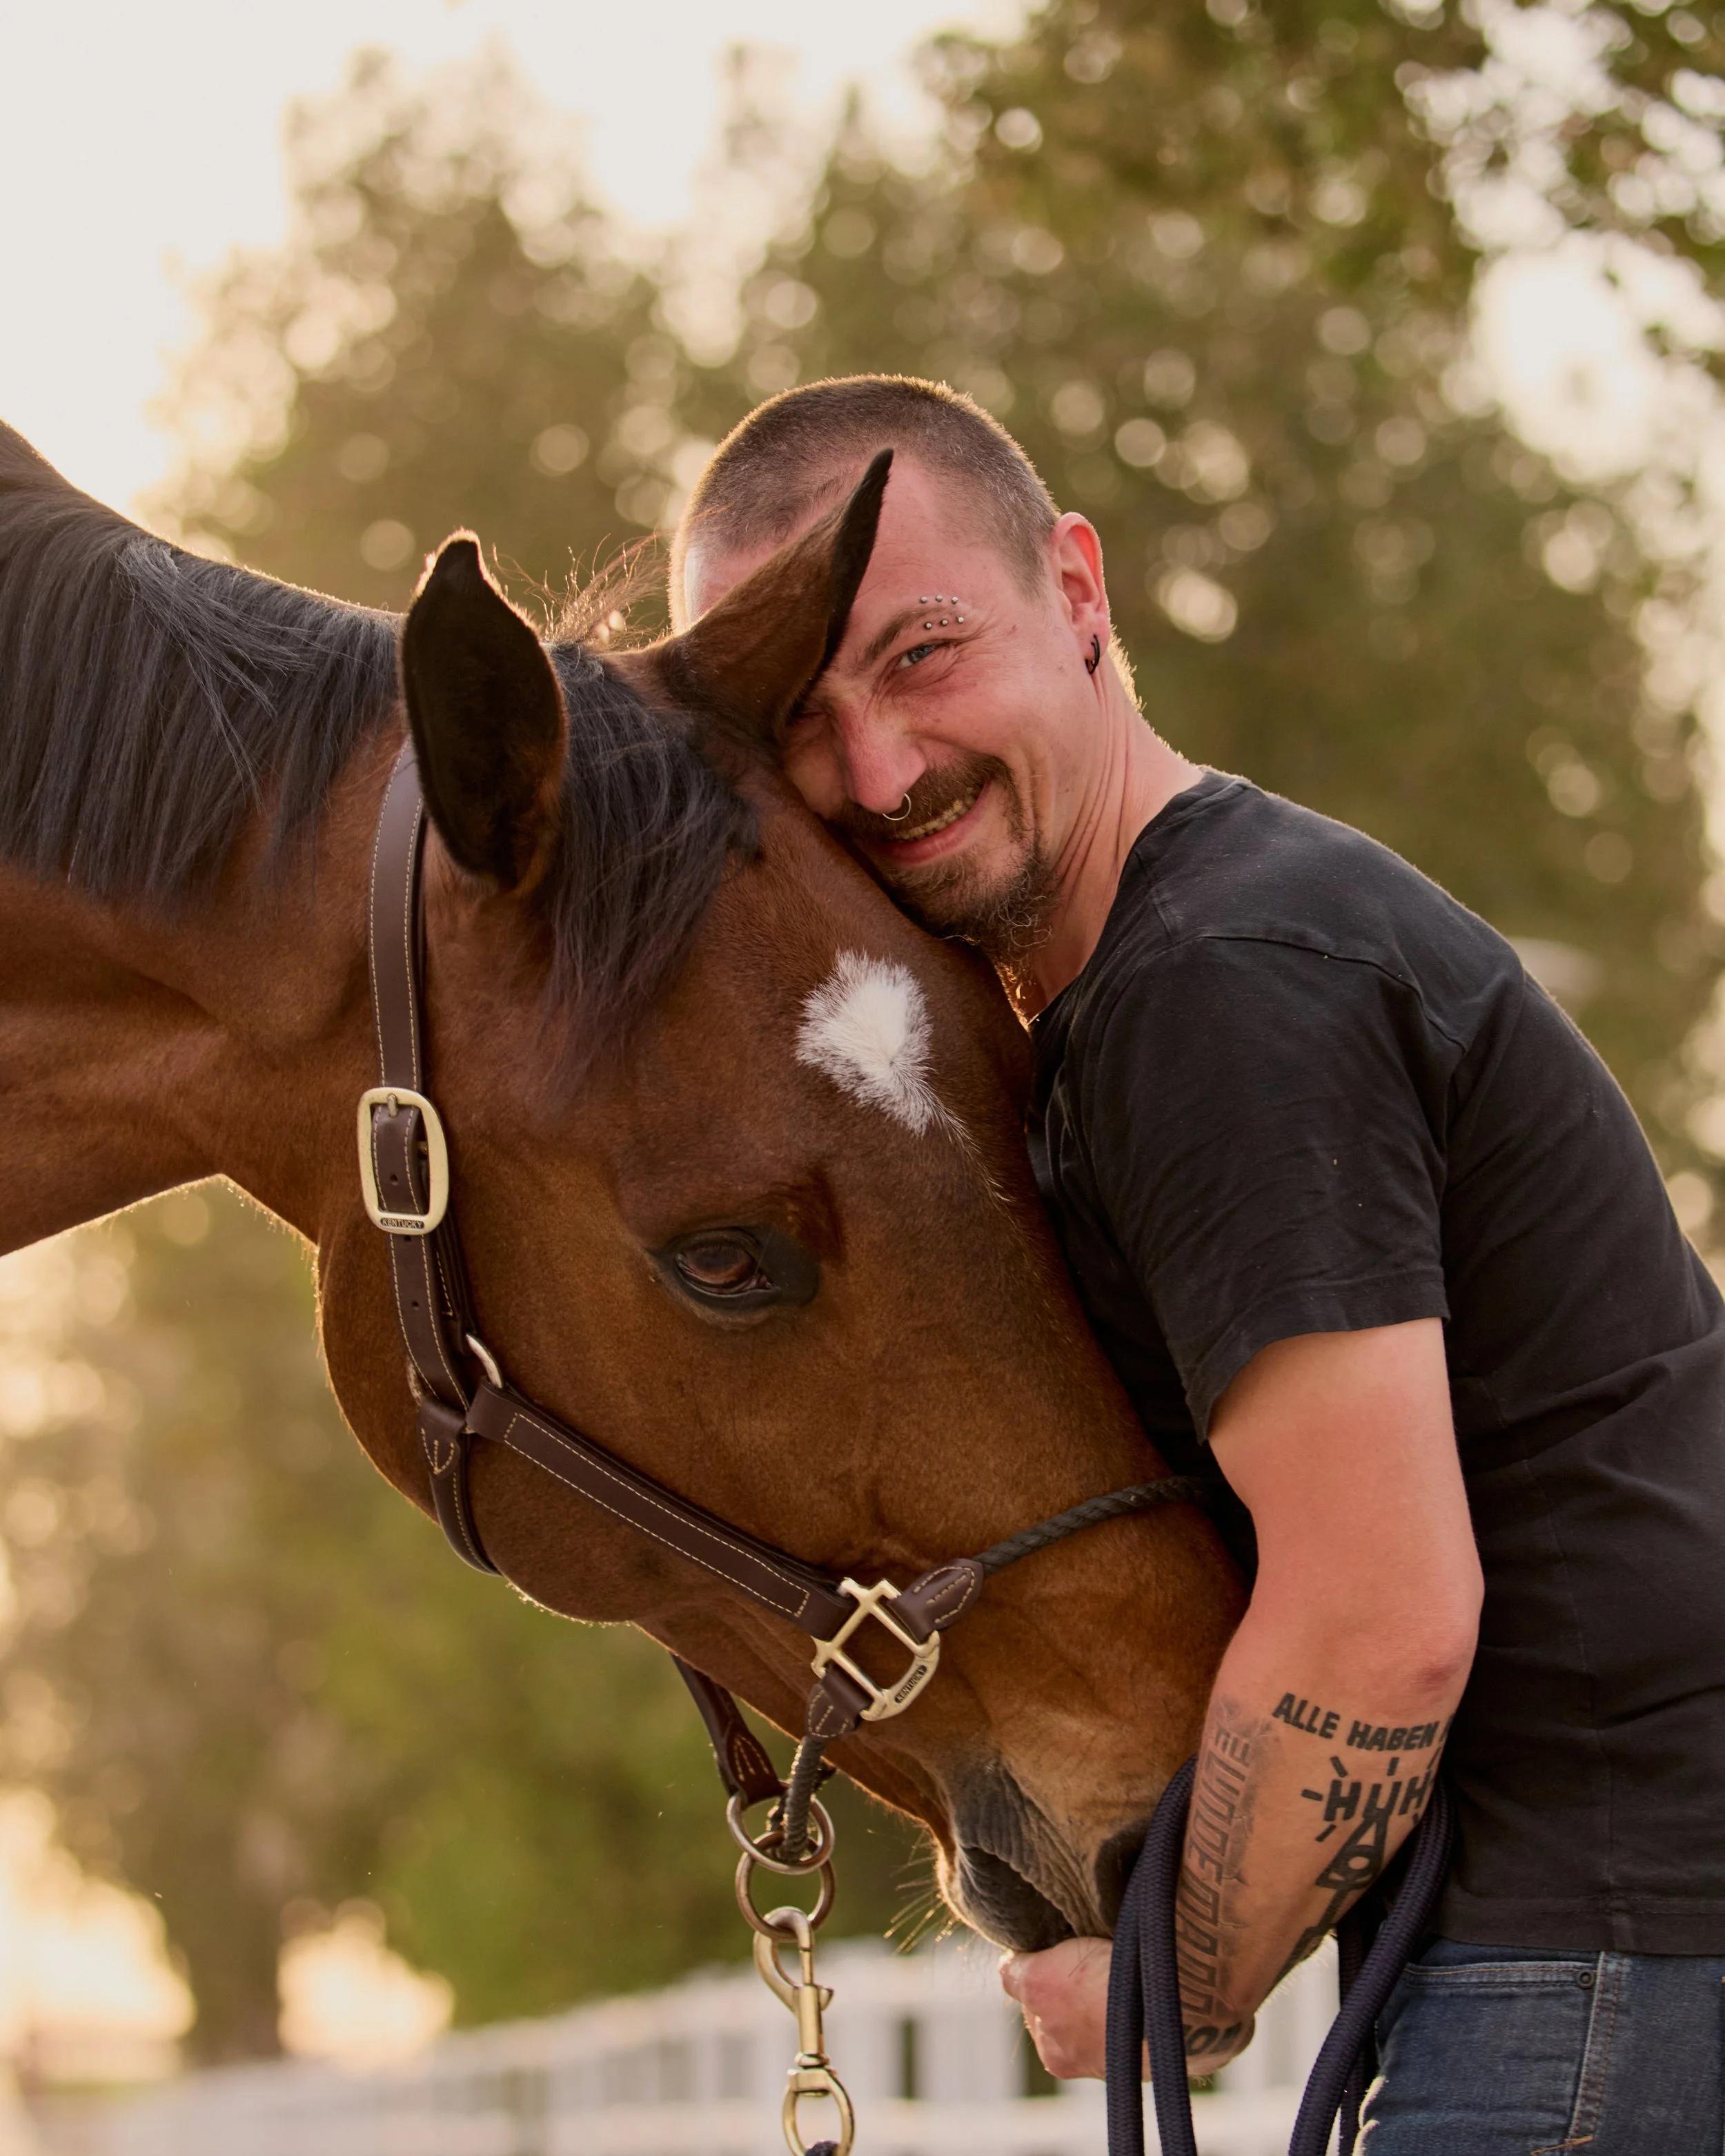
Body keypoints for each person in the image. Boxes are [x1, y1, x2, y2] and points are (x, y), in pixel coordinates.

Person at [669, 375, 1725, 2152]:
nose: (876, 768)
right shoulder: (1173, 964)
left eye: (922, 654)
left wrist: (1181, 1970)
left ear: (1078, 591)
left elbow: (1379, 1618)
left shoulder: (1213, 990)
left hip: (1599, 1950)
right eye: (800, 714)